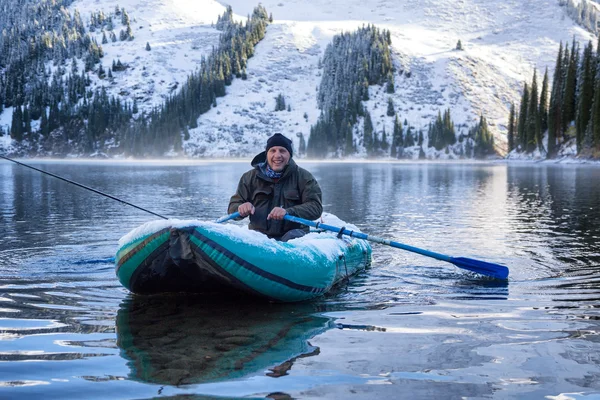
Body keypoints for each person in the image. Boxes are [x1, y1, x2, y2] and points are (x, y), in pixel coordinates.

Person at [228, 133, 323, 242]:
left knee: (293, 236)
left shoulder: (304, 177)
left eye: (282, 151)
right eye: (272, 151)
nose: (277, 155)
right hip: (259, 238)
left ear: (289, 155)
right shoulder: (248, 178)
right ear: (266, 154)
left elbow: (316, 207)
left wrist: (289, 212)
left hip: (295, 239)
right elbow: (232, 209)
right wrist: (241, 208)